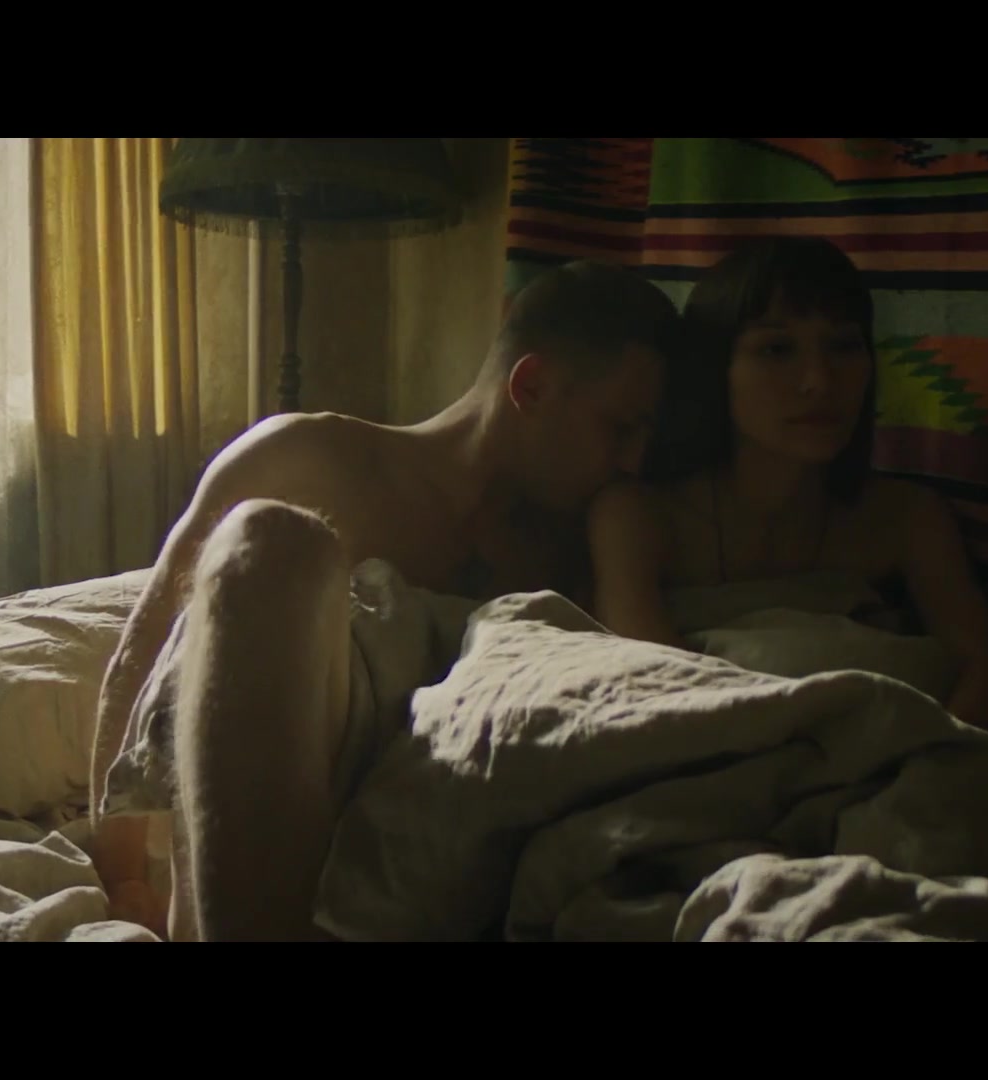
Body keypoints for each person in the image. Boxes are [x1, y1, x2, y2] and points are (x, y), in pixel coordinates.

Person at [87, 259, 677, 941]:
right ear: (532, 386)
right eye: (620, 428)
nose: (632, 461)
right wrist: (124, 883)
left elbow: (647, 703)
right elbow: (141, 659)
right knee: (267, 538)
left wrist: (619, 530)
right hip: (256, 849)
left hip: (439, 864)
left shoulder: (586, 539)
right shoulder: (309, 458)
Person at [583, 235, 988, 758]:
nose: (820, 382)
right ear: (715, 369)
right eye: (776, 349)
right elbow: (655, 688)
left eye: (844, 346)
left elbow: (987, 672)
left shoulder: (906, 516)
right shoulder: (637, 516)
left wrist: (926, 768)